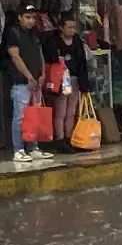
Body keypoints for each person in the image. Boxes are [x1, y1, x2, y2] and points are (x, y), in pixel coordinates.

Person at [3, 4, 52, 162]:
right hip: (21, 82)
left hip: (36, 82)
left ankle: (33, 147)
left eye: (33, 18)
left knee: (34, 115)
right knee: (20, 116)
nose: (31, 21)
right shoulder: (13, 33)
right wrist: (29, 76)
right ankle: (18, 149)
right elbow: (15, 56)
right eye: (27, 17)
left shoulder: (35, 34)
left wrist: (43, 73)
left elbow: (40, 54)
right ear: (20, 17)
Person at [42, 17, 91, 152]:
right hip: (60, 80)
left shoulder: (77, 42)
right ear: (62, 28)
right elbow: (49, 58)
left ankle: (69, 137)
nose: (72, 30)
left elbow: (82, 63)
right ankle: (60, 138)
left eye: (74, 28)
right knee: (60, 111)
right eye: (69, 27)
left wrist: (84, 84)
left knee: (71, 111)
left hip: (74, 79)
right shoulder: (53, 42)